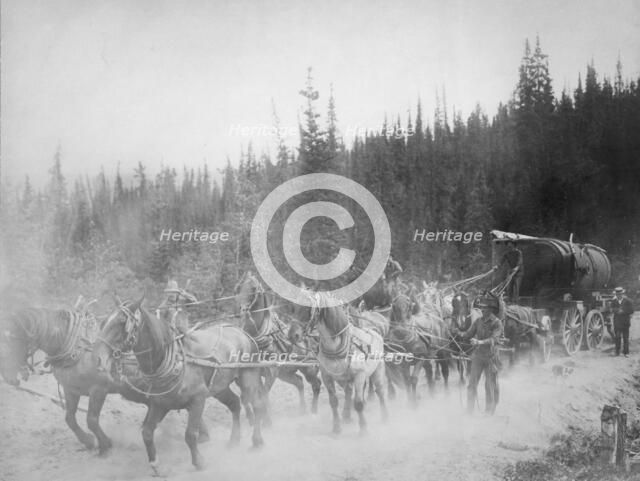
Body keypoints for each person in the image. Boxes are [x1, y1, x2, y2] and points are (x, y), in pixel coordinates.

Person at [458, 294, 503, 415]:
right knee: (471, 385)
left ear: (491, 309)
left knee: (489, 386)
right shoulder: (478, 321)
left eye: (484, 308)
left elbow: (494, 340)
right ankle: (469, 411)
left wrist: (479, 342)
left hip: (491, 358)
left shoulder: (497, 323)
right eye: (480, 308)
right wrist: (457, 333)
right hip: (478, 357)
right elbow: (468, 334)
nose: (481, 310)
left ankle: (489, 412)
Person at [611, 287, 634, 357]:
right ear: (616, 294)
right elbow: (612, 309)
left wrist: (623, 311)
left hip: (625, 322)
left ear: (622, 294)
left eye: (620, 294)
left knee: (625, 338)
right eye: (617, 294)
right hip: (617, 322)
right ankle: (617, 352)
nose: (619, 295)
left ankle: (626, 352)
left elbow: (631, 310)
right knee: (617, 337)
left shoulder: (628, 301)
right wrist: (617, 310)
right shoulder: (614, 301)